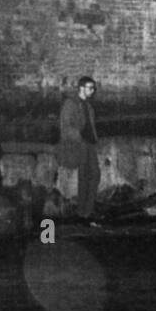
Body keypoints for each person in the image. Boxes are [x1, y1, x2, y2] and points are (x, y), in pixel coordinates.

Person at [58, 76, 101, 226]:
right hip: (80, 144)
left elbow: (91, 125)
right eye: (90, 88)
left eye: (93, 88)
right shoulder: (70, 104)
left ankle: (86, 211)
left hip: (89, 144)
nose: (92, 91)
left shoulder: (88, 106)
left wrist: (94, 140)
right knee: (85, 177)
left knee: (94, 175)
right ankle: (83, 213)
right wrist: (79, 135)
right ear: (81, 88)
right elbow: (65, 127)